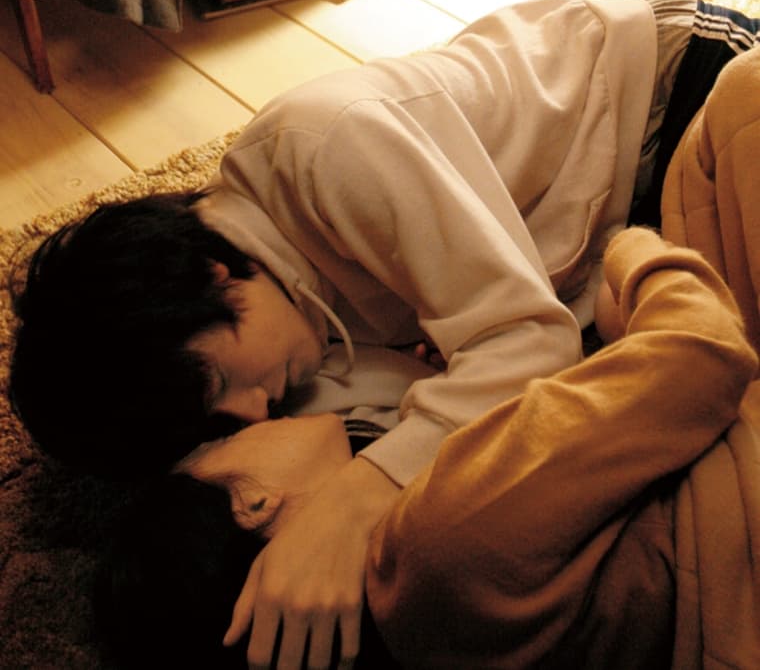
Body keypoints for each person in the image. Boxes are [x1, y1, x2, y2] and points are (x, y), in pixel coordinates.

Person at [10, 0, 760, 670]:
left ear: (212, 277)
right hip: (607, 247)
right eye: (214, 428)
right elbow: (447, 421)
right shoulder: (274, 355)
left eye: (217, 384)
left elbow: (532, 345)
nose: (252, 413)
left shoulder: (324, 147)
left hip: (664, 103)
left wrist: (357, 498)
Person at [97, 224, 760, 669]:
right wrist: (632, 248)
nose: (254, 417)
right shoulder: (436, 538)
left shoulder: (418, 632)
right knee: (734, 110)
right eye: (222, 442)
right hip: (738, 496)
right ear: (255, 505)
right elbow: (700, 355)